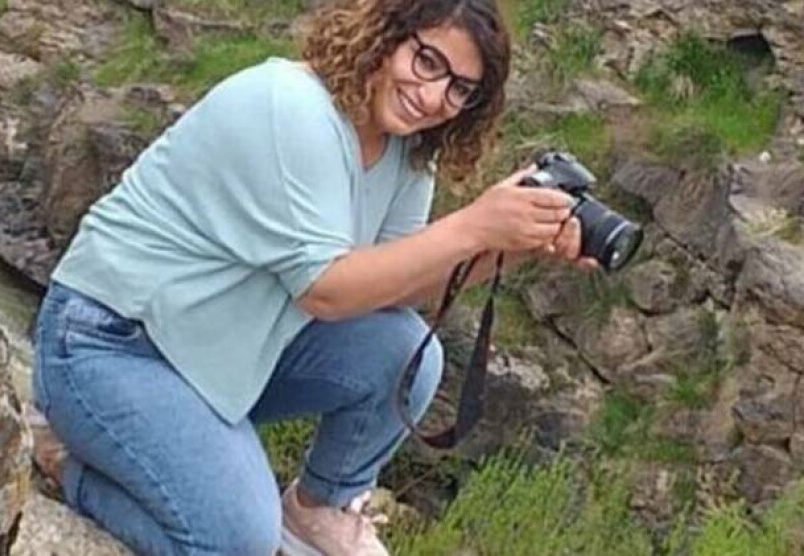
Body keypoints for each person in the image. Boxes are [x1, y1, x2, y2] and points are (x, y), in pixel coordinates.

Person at [30, 0, 596, 554]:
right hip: (112, 343)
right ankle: (70, 463)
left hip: (222, 353)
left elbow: (392, 290)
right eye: (427, 61)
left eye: (460, 89)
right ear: (386, 33)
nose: (433, 97)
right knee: (237, 541)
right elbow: (327, 291)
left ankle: (316, 509)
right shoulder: (293, 108)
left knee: (405, 351)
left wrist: (507, 249)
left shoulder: (406, 152)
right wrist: (473, 225)